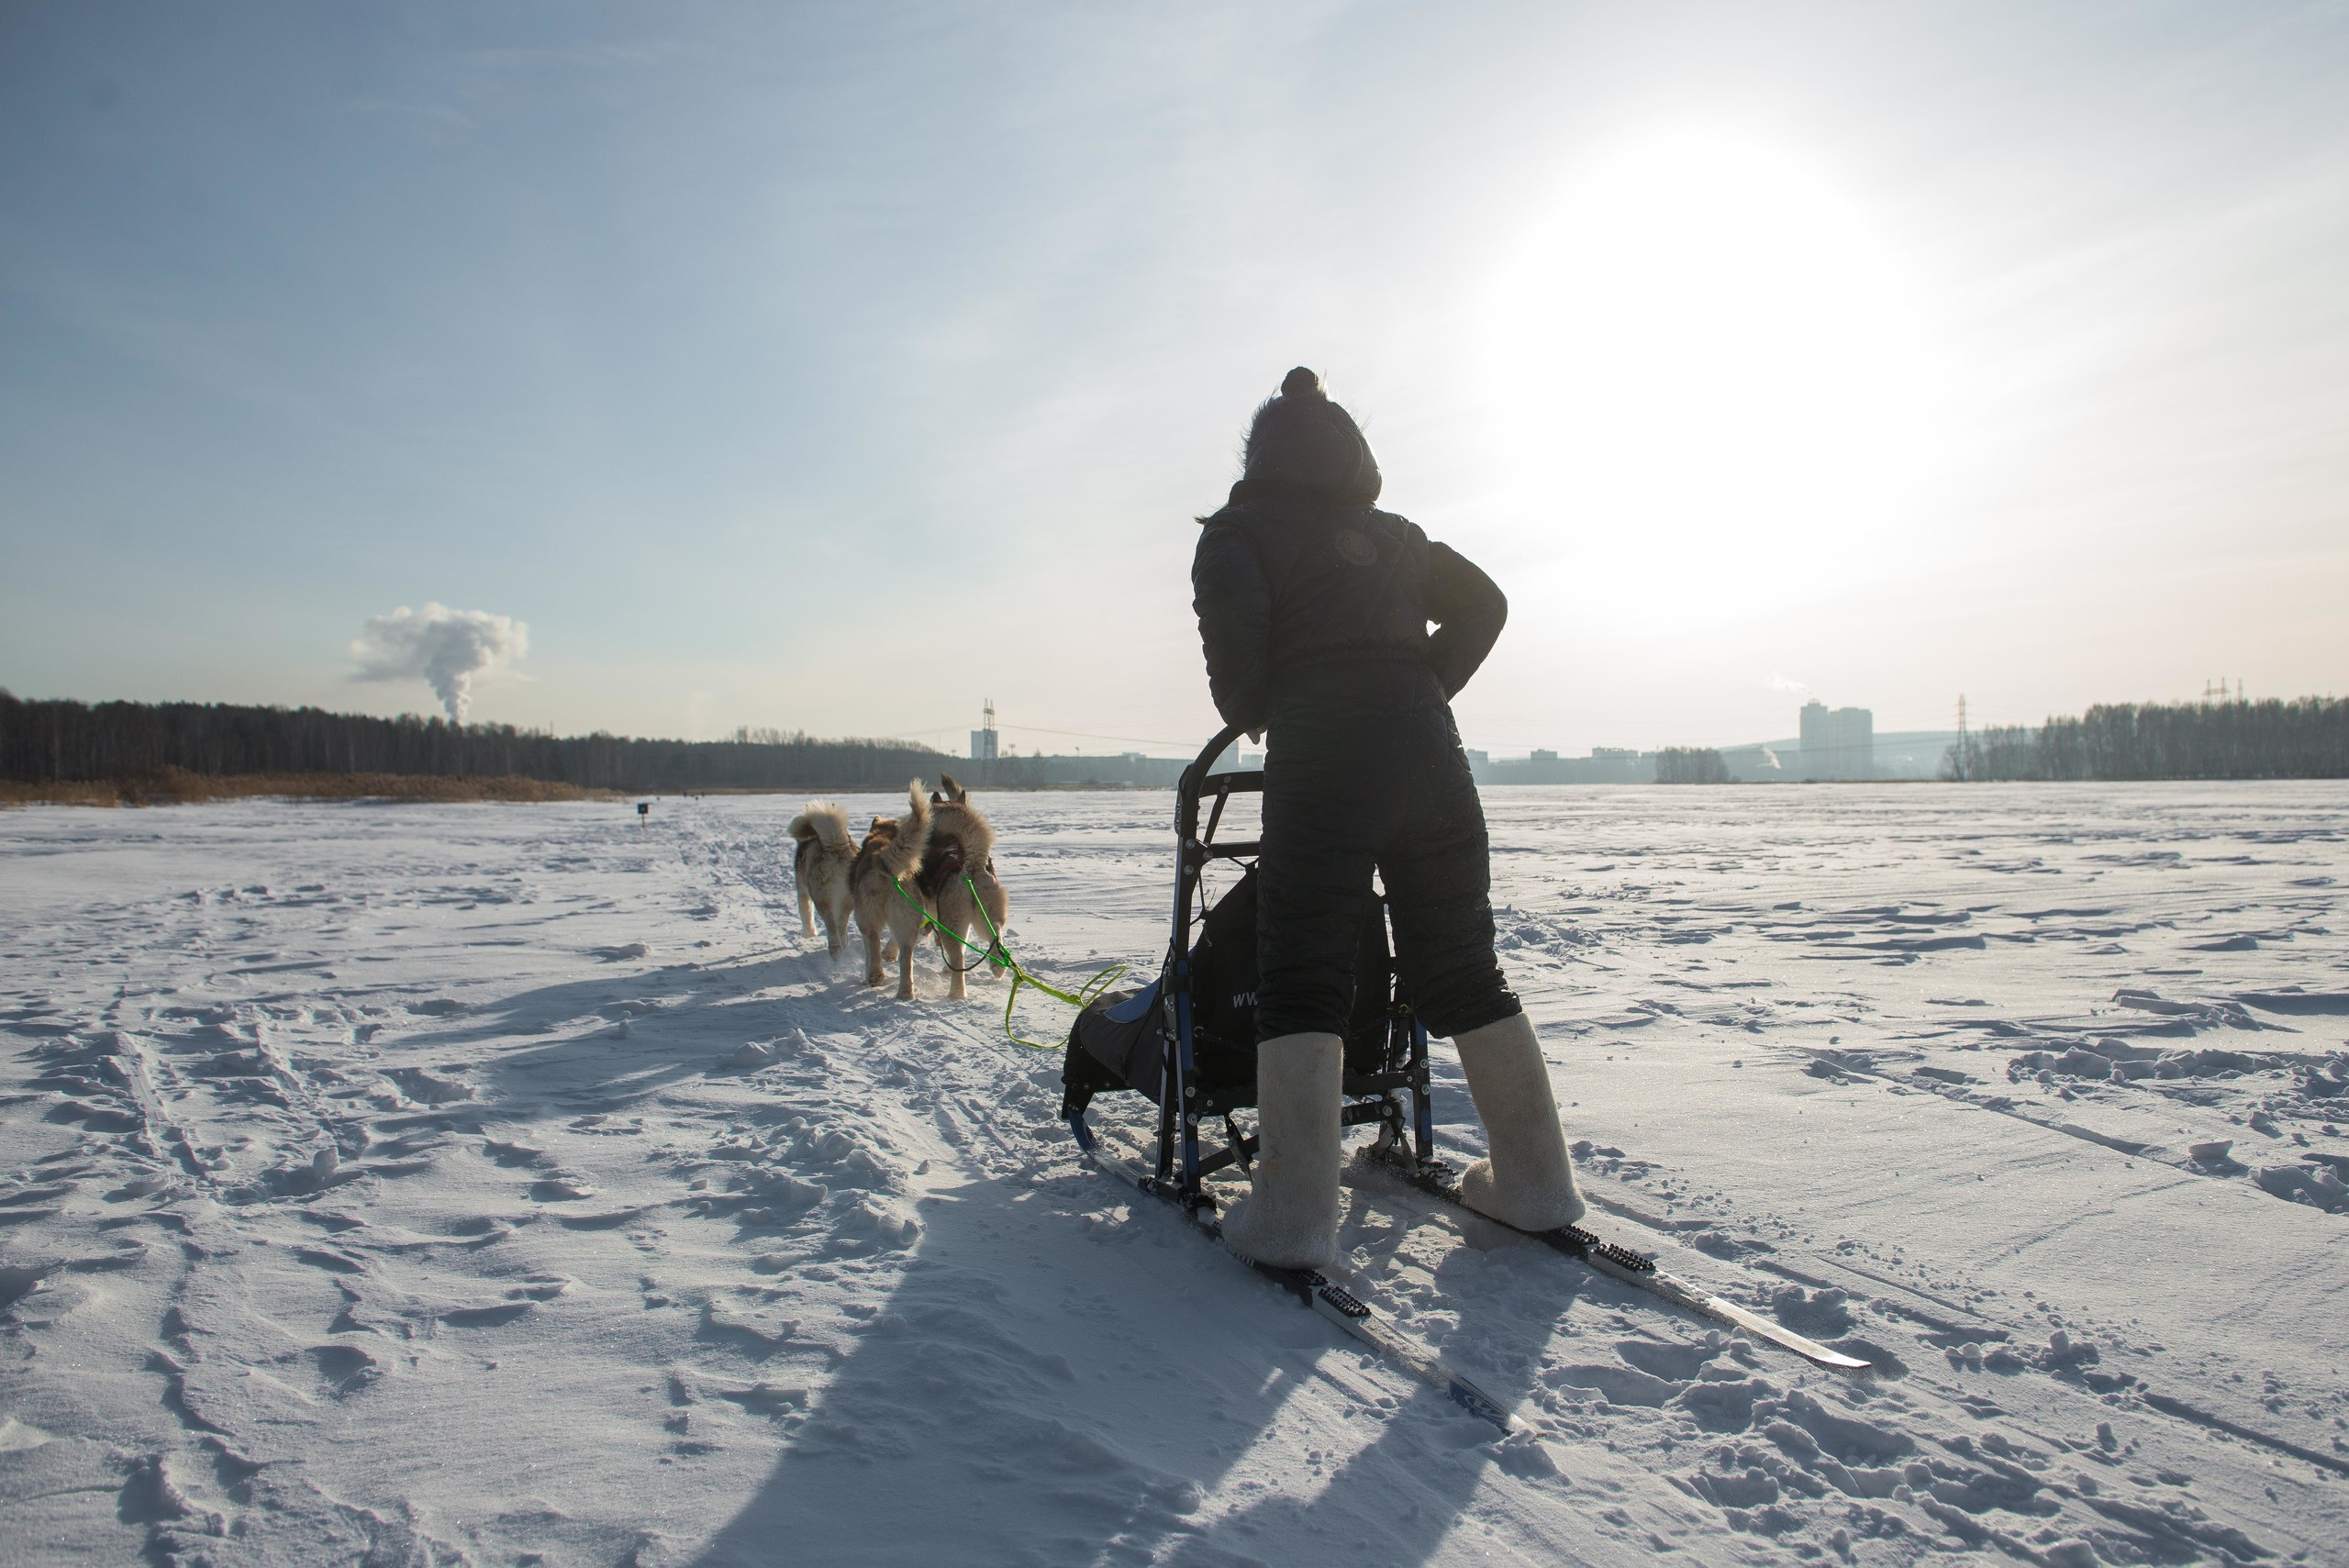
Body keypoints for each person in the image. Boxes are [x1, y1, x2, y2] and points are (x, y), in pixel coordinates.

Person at [1191, 366, 1583, 1268]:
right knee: (1462, 966)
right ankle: (1533, 1179)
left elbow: (1240, 684)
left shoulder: (1238, 534)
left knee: (1301, 973)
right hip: (1433, 760)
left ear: (1261, 455)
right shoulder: (1398, 537)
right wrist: (1419, 683)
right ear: (1350, 454)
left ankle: (1291, 1215)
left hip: (1325, 763)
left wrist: (1290, 700)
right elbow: (1486, 602)